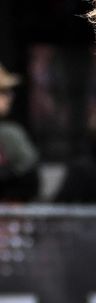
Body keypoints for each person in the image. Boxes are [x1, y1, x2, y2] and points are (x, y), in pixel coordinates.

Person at [0, 63, 39, 202]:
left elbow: (30, 181)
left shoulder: (10, 133)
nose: (10, 97)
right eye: (3, 92)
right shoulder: (8, 134)